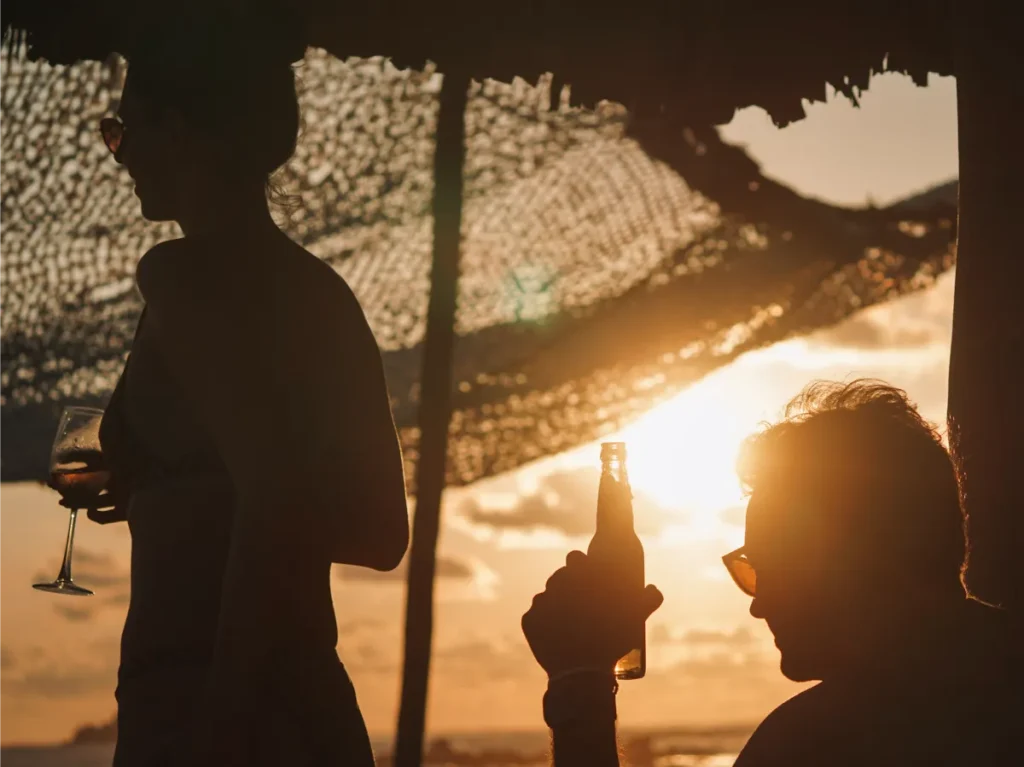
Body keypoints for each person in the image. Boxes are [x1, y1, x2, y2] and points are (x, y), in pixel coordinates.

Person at [74, 11, 408, 767]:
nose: (118, 156)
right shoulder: (324, 297)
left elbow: (271, 490)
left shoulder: (178, 276)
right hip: (310, 711)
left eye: (122, 131)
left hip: (207, 705)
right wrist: (184, 488)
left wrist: (221, 722)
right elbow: (382, 532)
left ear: (183, 129)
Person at [523, 380, 1023, 766]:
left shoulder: (821, 740)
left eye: (775, 569)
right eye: (750, 570)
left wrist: (579, 683)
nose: (760, 604)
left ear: (856, 561)